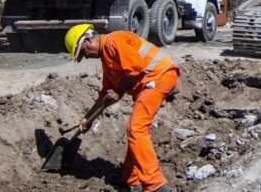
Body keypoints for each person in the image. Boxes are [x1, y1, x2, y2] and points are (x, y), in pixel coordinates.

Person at [65, 25, 178, 192]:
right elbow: (105, 96)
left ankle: (156, 185)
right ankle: (131, 178)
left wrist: (119, 91)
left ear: (89, 39)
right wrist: (87, 119)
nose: (86, 57)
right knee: (136, 130)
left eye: (83, 51)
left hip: (159, 76)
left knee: (136, 128)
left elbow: (133, 70)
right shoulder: (107, 60)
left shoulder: (114, 41)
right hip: (151, 82)